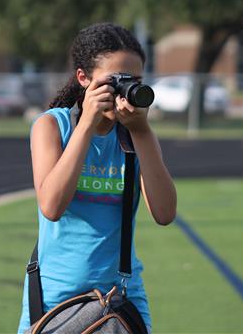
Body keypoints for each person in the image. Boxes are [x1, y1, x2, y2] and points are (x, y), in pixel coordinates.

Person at [17, 22, 177, 333]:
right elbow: (51, 206)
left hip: (120, 298)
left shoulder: (136, 135)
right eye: (114, 81)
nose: (124, 91)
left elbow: (165, 213)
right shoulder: (52, 127)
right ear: (83, 78)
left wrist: (141, 132)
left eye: (135, 81)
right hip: (54, 297)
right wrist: (86, 127)